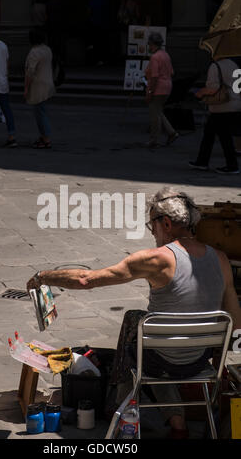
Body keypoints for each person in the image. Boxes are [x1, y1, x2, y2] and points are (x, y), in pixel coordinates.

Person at [27, 186, 241, 439]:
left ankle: (122, 408)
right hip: (199, 360)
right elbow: (235, 321)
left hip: (161, 358)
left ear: (167, 223)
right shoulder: (221, 258)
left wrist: (43, 277)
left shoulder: (156, 259)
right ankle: (176, 423)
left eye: (153, 226)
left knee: (136, 327)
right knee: (152, 337)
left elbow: (87, 279)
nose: (153, 234)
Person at [189, 57, 241, 175]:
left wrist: (200, 93)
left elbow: (212, 89)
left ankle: (232, 165)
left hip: (222, 107)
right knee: (210, 134)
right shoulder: (234, 65)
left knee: (224, 137)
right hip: (235, 104)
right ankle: (202, 161)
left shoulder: (215, 66)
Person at [145, 32, 179, 148]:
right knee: (158, 111)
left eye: (149, 44)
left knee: (154, 114)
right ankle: (172, 133)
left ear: (152, 44)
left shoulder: (155, 57)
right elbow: (172, 72)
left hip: (158, 88)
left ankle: (154, 139)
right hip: (167, 86)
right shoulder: (165, 55)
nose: (148, 46)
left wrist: (149, 92)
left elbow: (154, 76)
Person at [24, 27, 55, 149]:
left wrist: (26, 88)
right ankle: (43, 136)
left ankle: (46, 138)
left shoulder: (34, 52)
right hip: (48, 82)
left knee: (40, 113)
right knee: (41, 111)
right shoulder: (47, 49)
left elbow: (29, 72)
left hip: (38, 85)